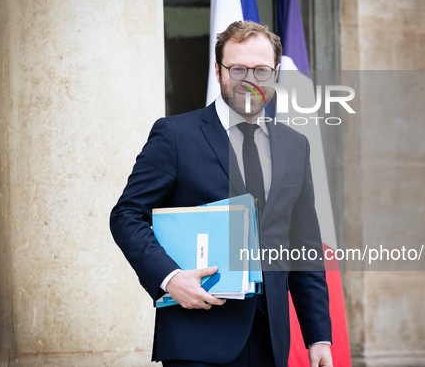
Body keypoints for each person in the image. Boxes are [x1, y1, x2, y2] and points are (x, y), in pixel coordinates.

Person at [110, 21, 333, 367]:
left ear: (275, 73)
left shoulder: (295, 146)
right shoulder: (174, 136)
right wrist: (169, 279)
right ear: (218, 71)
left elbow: (304, 245)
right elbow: (126, 216)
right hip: (197, 338)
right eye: (238, 68)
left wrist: (318, 336)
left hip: (271, 342)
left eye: (261, 70)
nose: (250, 80)